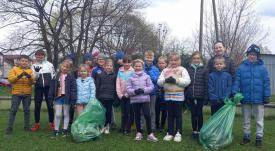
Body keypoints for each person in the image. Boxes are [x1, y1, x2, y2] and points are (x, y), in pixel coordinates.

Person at [232, 44, 271, 148]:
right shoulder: (241, 67)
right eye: (250, 54)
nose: (252, 56)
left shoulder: (262, 68)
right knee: (246, 120)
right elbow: (237, 81)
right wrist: (234, 92)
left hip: (259, 100)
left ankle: (259, 138)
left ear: (257, 56)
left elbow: (266, 82)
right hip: (246, 99)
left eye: (254, 54)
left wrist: (267, 95)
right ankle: (246, 137)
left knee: (259, 120)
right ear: (247, 55)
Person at [158, 53, 191, 142]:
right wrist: (165, 80)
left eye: (176, 60)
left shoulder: (182, 69)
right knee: (170, 115)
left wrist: (176, 80)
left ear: (179, 61)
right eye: (172, 60)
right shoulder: (165, 70)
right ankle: (170, 132)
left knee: (178, 115)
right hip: (168, 96)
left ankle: (178, 132)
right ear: (169, 61)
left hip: (178, 96)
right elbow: (159, 81)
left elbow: (187, 81)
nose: (174, 62)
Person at [127, 59, 158, 142]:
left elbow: (151, 87)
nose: (138, 67)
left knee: (147, 115)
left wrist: (144, 90)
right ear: (133, 67)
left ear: (142, 67)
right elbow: (128, 89)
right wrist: (134, 91)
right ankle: (139, 132)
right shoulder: (130, 77)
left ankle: (150, 134)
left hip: (145, 99)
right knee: (137, 116)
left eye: (139, 66)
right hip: (135, 100)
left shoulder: (147, 76)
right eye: (136, 66)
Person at [5, 55, 35, 134]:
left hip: (27, 94)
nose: (24, 62)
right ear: (19, 61)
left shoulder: (30, 71)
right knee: (13, 110)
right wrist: (19, 76)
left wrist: (29, 77)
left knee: (27, 111)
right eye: (22, 61)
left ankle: (27, 127)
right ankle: (9, 127)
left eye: (26, 61)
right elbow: (11, 80)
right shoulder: (14, 69)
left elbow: (32, 82)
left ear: (28, 63)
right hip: (16, 93)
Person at [48, 61, 77, 137]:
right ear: (60, 67)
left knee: (66, 114)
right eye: (63, 66)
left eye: (67, 67)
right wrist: (50, 98)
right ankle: (56, 130)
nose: (64, 68)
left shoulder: (71, 77)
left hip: (67, 98)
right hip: (58, 97)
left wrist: (73, 99)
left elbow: (73, 89)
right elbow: (52, 88)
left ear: (69, 69)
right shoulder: (56, 76)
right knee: (57, 114)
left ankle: (65, 130)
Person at [31, 49, 56, 132]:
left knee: (50, 105)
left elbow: (53, 76)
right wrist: (37, 73)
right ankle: (37, 123)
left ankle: (51, 123)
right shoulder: (33, 65)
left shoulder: (49, 64)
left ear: (44, 56)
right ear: (35, 56)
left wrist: (53, 87)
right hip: (38, 87)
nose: (39, 56)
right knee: (37, 105)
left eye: (41, 55)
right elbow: (33, 78)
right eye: (38, 55)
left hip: (48, 87)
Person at [185, 51, 208, 139]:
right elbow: (186, 84)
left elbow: (206, 84)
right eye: (194, 58)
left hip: (200, 96)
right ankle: (194, 131)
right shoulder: (188, 69)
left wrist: (206, 97)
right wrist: (186, 95)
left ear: (200, 59)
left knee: (199, 114)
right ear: (192, 59)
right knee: (193, 114)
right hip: (191, 95)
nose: (196, 60)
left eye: (198, 58)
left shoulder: (205, 69)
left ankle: (200, 131)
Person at [95, 59, 117, 134]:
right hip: (101, 97)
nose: (109, 67)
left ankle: (107, 126)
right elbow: (97, 86)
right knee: (102, 113)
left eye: (110, 66)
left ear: (112, 67)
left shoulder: (115, 75)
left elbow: (115, 87)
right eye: (107, 65)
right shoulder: (100, 75)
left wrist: (115, 97)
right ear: (104, 66)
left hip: (110, 97)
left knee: (108, 113)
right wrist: (97, 96)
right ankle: (102, 126)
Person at [116, 55, 134, 134]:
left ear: (131, 63)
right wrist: (120, 95)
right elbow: (117, 83)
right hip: (122, 96)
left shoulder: (133, 71)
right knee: (123, 113)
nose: (127, 64)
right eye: (125, 62)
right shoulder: (120, 71)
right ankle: (122, 127)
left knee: (129, 112)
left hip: (130, 96)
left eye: (129, 62)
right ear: (122, 63)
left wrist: (127, 94)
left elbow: (133, 84)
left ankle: (128, 128)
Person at [143, 50, 160, 131]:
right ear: (144, 57)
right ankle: (142, 126)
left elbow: (156, 80)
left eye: (150, 57)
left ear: (153, 58)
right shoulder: (141, 67)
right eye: (147, 57)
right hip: (143, 92)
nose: (149, 59)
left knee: (152, 111)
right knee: (143, 110)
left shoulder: (155, 69)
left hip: (153, 93)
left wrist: (150, 72)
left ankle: (152, 126)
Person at [155, 56, 168, 131]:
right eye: (159, 63)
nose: (161, 64)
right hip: (157, 94)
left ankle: (162, 125)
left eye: (163, 63)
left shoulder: (167, 71)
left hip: (165, 94)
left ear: (166, 64)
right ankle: (156, 124)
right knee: (156, 110)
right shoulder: (155, 71)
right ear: (157, 64)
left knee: (164, 111)